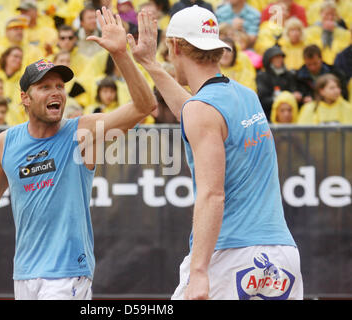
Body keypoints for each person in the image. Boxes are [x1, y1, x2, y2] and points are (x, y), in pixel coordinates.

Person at [0, 7, 157, 300]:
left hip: (68, 273)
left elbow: (144, 106)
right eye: (45, 87)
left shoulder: (81, 132)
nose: (57, 92)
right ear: (25, 98)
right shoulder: (5, 142)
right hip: (24, 273)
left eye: (60, 86)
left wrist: (120, 55)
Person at [129, 6, 303, 299]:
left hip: (232, 255)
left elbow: (213, 194)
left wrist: (198, 271)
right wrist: (150, 64)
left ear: (173, 46)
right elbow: (195, 112)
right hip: (282, 255)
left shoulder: (203, 109)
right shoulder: (244, 95)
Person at [256, 45, 299, 119]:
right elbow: (262, 100)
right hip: (268, 115)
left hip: (290, 115)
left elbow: (294, 90)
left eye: (281, 57)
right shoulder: (262, 76)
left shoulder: (290, 75)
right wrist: (282, 99)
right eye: (276, 57)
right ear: (269, 60)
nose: (279, 60)